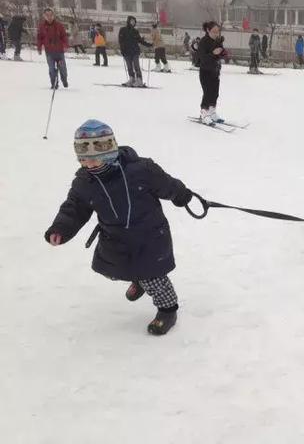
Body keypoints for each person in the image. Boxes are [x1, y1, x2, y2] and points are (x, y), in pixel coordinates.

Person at [44, 119, 193, 335]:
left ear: (110, 151)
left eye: (96, 159)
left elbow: (167, 184)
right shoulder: (84, 183)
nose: (90, 165)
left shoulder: (141, 170)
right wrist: (60, 229)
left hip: (149, 236)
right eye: (84, 159)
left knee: (154, 277)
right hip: (115, 237)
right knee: (114, 271)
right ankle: (140, 279)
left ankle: (167, 310)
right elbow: (74, 208)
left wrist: (181, 195)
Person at [198, 21, 228, 124]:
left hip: (215, 70)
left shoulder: (218, 41)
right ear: (208, 30)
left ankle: (212, 112)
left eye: (217, 31)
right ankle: (204, 113)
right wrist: (213, 53)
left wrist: (222, 52)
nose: (216, 34)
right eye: (214, 31)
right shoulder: (203, 42)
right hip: (205, 71)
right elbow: (203, 58)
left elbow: (222, 54)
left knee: (215, 93)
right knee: (207, 92)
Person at [37, 8, 69, 89]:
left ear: (53, 15)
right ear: (44, 16)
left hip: (59, 52)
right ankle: (54, 83)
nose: (49, 17)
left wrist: (65, 45)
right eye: (47, 15)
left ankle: (64, 79)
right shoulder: (42, 26)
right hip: (49, 52)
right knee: (51, 69)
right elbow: (39, 38)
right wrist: (39, 48)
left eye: (51, 15)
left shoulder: (59, 25)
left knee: (63, 69)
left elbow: (64, 36)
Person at [118, 16, 152, 87]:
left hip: (135, 51)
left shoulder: (135, 31)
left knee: (136, 66)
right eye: (132, 21)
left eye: (134, 21)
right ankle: (132, 79)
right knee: (129, 66)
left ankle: (139, 80)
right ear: (128, 21)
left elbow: (140, 40)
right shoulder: (123, 30)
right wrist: (122, 49)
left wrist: (149, 45)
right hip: (126, 51)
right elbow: (121, 41)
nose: (133, 22)